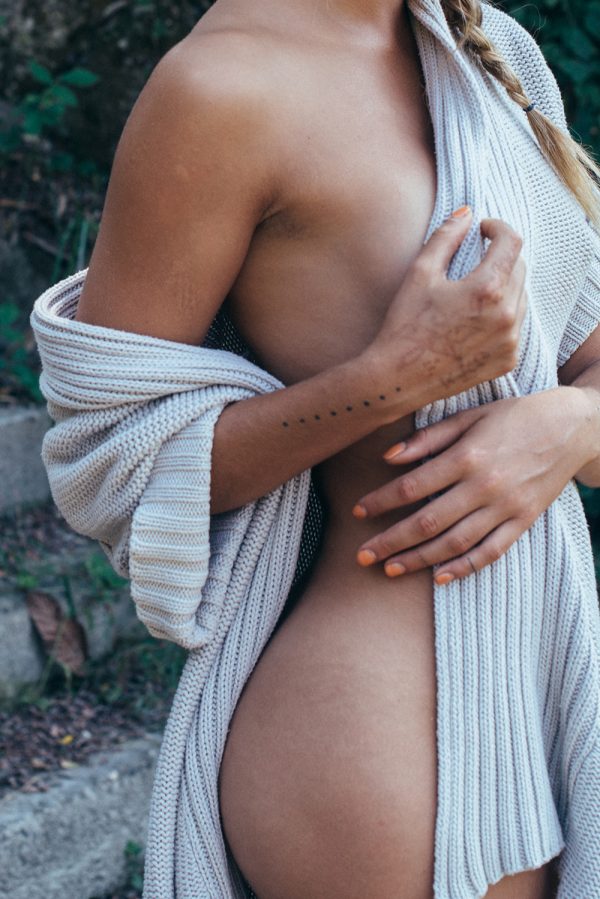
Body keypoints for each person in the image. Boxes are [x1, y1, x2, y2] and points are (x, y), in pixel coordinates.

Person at [72, 0, 600, 896]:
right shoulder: (218, 88)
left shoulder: (485, 45)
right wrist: (391, 379)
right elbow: (110, 458)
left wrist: (570, 422)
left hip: (542, 678)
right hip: (378, 735)